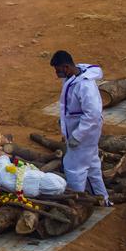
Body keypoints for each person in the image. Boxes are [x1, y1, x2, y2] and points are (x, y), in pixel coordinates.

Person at [50, 50, 110, 204]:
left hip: (84, 135)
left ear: (66, 67)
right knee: (92, 166)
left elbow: (93, 114)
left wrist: (77, 136)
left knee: (73, 168)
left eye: (58, 71)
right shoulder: (73, 77)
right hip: (81, 133)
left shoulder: (85, 86)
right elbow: (70, 107)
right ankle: (102, 199)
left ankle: (75, 203)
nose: (56, 74)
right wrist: (63, 121)